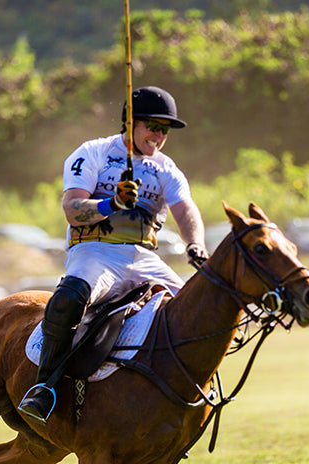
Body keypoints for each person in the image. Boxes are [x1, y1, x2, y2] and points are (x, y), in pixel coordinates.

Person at [19, 85, 209, 423]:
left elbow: (186, 211)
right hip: (95, 252)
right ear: (131, 122)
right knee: (70, 297)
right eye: (153, 126)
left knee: (198, 311)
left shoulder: (166, 168)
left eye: (165, 130)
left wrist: (195, 244)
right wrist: (114, 203)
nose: (159, 136)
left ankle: (188, 398)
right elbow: (73, 209)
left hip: (144, 257)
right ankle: (44, 387)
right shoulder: (92, 153)